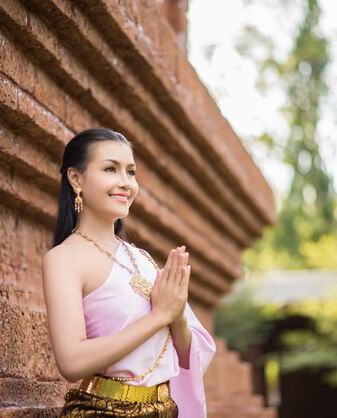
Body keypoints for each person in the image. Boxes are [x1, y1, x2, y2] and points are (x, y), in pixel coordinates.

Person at [42, 128, 216, 417]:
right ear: (76, 178)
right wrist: (159, 316)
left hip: (164, 409)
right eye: (111, 169)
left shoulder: (142, 259)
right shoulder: (64, 259)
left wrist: (177, 314)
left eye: (131, 172)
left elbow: (188, 357)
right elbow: (71, 362)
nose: (126, 183)